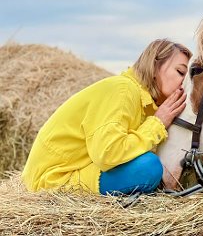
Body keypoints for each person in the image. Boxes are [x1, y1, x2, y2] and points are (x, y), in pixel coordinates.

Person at [22, 39, 192, 195]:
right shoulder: (122, 90)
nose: (185, 82)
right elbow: (108, 154)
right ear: (155, 67)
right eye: (181, 72)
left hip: (79, 170)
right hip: (50, 182)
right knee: (148, 168)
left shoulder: (147, 105)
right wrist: (157, 124)